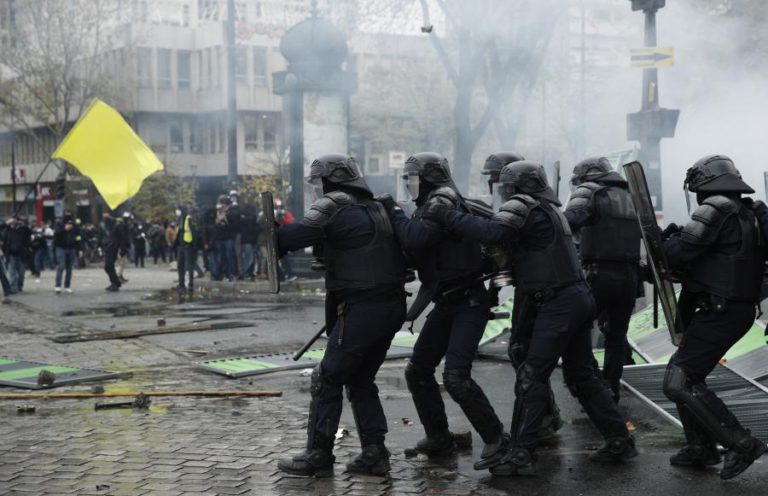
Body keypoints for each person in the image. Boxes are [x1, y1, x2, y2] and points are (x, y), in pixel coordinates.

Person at [423, 160, 635, 475]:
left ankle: (522, 453)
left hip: (559, 302)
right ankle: (619, 439)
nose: (502, 192)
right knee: (581, 375)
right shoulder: (547, 209)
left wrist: (447, 215)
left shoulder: (524, 205)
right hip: (575, 298)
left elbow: (492, 232)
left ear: (518, 187)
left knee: (531, 376)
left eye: (505, 187)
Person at [277, 154, 407, 478]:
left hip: (364, 307)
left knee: (328, 376)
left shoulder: (337, 205)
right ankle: (375, 454)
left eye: (319, 183)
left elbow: (296, 236)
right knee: (360, 378)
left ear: (330, 181)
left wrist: (272, 233)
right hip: (390, 306)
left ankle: (318, 455)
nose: (318, 189)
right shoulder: (376, 207)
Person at [381, 152, 506, 468]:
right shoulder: (428, 204)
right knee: (418, 370)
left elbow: (415, 238)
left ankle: (497, 440)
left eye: (413, 178)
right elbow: (416, 250)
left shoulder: (442, 200)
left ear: (429, 178)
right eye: (408, 179)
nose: (410, 184)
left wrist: (392, 211)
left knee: (456, 377)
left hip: (468, 302)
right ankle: (439, 437)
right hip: (447, 301)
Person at [661, 155, 767, 479]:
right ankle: (701, 447)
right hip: (733, 309)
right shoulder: (748, 213)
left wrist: (667, 240)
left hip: (721, 310)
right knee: (686, 374)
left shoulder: (717, 208)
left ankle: (741, 443)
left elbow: (679, 253)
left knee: (679, 379)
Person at [564, 157, 641, 403]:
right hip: (630, 278)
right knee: (616, 337)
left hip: (598, 274)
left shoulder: (589, 190)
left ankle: (592, 386)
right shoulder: (631, 196)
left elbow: (567, 223)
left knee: (575, 331)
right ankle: (612, 389)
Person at [2, 217, 31, 294]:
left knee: (21, 272)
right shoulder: (7, 231)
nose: (14, 223)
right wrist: (7, 223)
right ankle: (13, 287)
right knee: (12, 272)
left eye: (15, 222)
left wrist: (23, 224)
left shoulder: (23, 230)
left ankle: (19, 286)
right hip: (11, 254)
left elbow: (29, 232)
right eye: (12, 222)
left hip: (22, 254)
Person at [53, 216, 82, 293]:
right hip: (61, 248)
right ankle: (58, 285)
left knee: (69, 268)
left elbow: (78, 238)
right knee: (61, 266)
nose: (70, 225)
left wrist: (80, 249)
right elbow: (56, 235)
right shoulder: (59, 225)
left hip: (71, 248)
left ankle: (67, 286)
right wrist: (64, 230)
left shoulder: (75, 228)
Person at [103, 211, 129, 292]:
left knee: (109, 265)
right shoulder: (108, 224)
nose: (104, 215)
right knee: (107, 266)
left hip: (114, 247)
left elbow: (122, 238)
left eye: (106, 213)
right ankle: (115, 282)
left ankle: (115, 282)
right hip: (109, 247)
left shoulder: (117, 225)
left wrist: (123, 249)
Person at [173, 206, 197, 293]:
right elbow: (178, 232)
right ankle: (181, 284)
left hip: (188, 244)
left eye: (178, 210)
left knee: (189, 266)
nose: (177, 212)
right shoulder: (180, 219)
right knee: (180, 265)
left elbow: (193, 232)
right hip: (181, 245)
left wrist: (194, 245)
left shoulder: (188, 218)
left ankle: (190, 285)